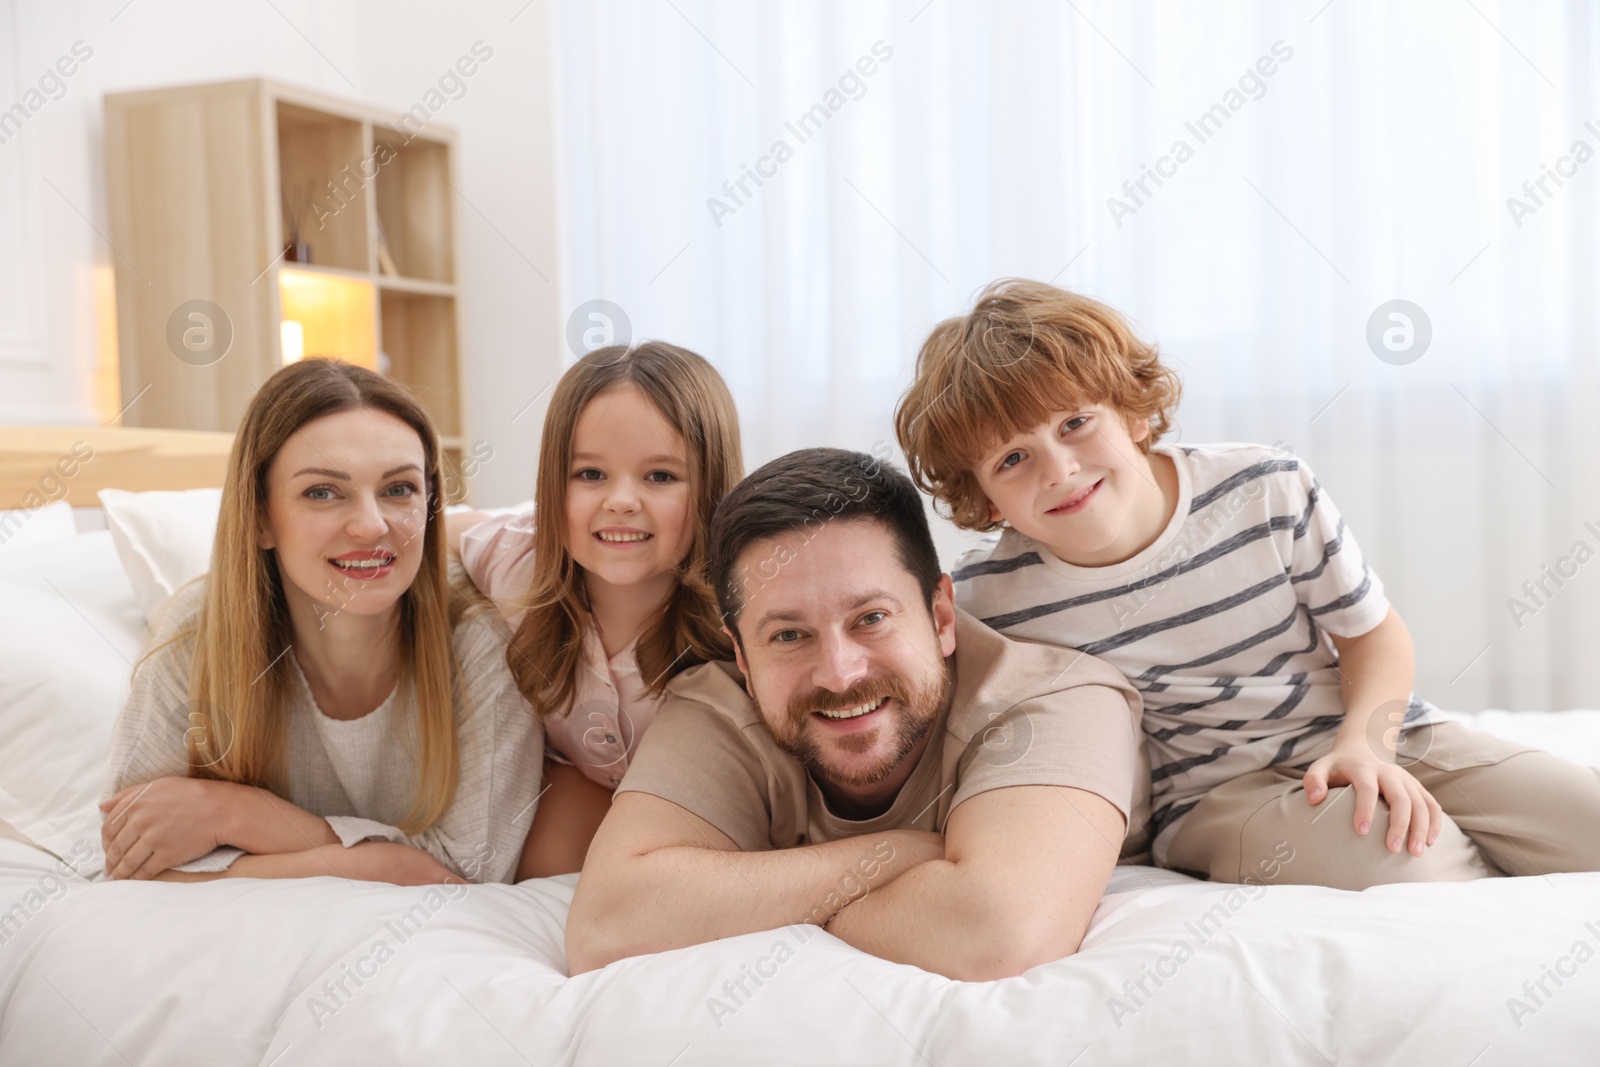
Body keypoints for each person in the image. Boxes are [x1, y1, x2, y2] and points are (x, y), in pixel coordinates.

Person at [895, 277, 1600, 889]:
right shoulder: (991, 599)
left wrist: (1367, 745)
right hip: (1218, 797)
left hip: (1374, 732)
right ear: (984, 499)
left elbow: (1373, 635)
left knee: (1583, 818)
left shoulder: (1264, 488)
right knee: (1405, 856)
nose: (1058, 468)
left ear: (1134, 413)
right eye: (1013, 458)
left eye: (1076, 422)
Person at [566, 448, 1147, 981]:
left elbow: (997, 936)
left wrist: (758, 907)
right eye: (789, 635)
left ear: (941, 615)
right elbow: (607, 928)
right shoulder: (717, 706)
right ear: (741, 654)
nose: (840, 674)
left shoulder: (1060, 697)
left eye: (871, 618)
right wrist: (900, 854)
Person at [101, 359, 542, 885]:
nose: (371, 524)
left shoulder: (481, 643)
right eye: (323, 492)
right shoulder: (194, 638)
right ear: (261, 517)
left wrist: (236, 815)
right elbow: (136, 858)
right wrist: (386, 862)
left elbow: (471, 873)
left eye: (398, 489)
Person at [447, 342, 743, 877]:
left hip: (707, 799)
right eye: (590, 475)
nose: (621, 500)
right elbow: (420, 534)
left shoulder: (743, 607)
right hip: (584, 776)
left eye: (660, 476)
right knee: (537, 890)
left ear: (711, 490)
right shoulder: (516, 559)